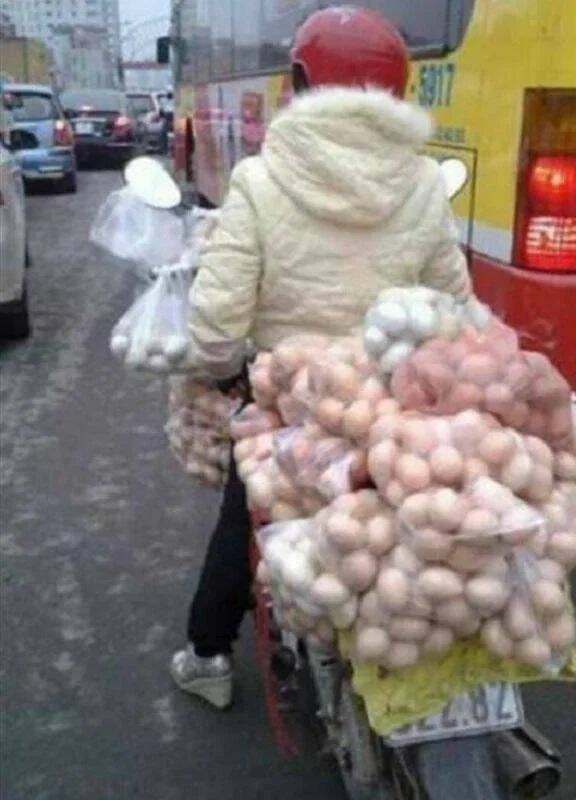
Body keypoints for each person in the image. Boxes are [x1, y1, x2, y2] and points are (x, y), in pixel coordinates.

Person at [170, 6, 471, 709]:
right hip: (391, 398)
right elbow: (454, 301)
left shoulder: (261, 179)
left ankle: (208, 657)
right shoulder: (422, 182)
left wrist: (223, 368)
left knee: (246, 514)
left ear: (300, 83)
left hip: (287, 398)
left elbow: (216, 323)